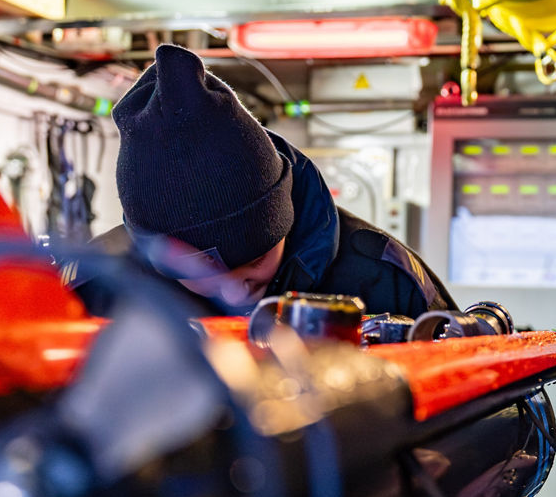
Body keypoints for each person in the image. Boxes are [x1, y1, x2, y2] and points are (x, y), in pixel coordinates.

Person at [72, 43, 454, 318]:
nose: (235, 290)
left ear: (284, 212)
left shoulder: (386, 279)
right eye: (201, 273)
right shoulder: (97, 289)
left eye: (256, 259)